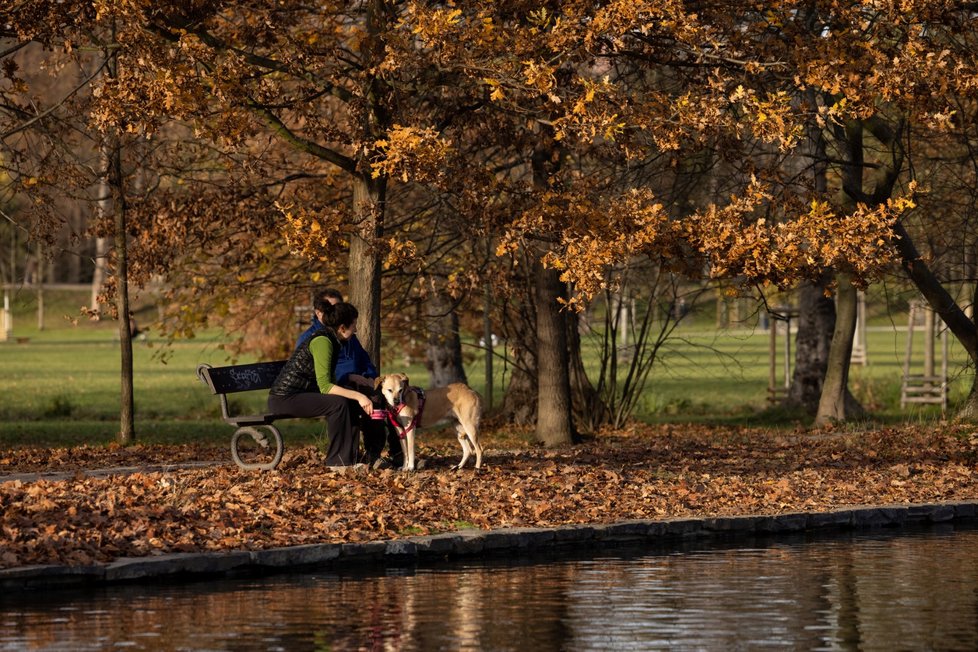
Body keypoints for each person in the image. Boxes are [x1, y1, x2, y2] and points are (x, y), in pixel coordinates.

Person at [296, 288, 402, 467]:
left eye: (339, 308)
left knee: (388, 395)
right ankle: (364, 456)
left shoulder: (348, 335)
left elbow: (364, 360)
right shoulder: (313, 338)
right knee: (361, 401)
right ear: (318, 313)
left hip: (358, 382)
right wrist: (350, 378)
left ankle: (394, 453)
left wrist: (371, 379)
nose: (337, 313)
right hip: (335, 386)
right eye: (331, 309)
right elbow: (318, 374)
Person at [268, 301, 374, 466]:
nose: (356, 330)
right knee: (337, 403)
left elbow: (329, 381)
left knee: (349, 399)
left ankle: (351, 459)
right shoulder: (323, 341)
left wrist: (352, 380)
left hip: (301, 394)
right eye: (354, 325)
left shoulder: (333, 339)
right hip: (284, 399)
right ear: (342, 327)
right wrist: (360, 396)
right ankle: (336, 462)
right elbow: (325, 386)